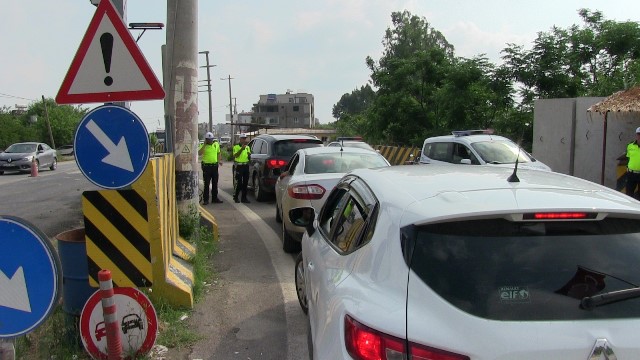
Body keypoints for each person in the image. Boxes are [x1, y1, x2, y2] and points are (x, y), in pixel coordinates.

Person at [198, 132, 223, 204]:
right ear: (206, 139)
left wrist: (219, 160)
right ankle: (206, 199)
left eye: (210, 139)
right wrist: (204, 145)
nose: (209, 141)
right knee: (206, 183)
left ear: (212, 139)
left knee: (215, 183)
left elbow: (219, 153)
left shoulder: (216, 144)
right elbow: (199, 153)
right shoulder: (203, 145)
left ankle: (214, 198)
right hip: (206, 167)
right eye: (208, 139)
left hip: (214, 166)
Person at [233, 133, 251, 203]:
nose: (244, 140)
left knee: (245, 182)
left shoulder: (247, 147)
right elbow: (236, 156)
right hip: (239, 166)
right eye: (243, 138)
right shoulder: (236, 147)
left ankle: (244, 198)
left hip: (246, 165)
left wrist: (249, 156)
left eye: (245, 138)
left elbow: (248, 156)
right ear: (240, 139)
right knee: (239, 182)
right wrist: (241, 149)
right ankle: (236, 196)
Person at [626, 127, 640, 200]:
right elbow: (628, 158)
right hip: (631, 174)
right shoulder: (630, 145)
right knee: (629, 194)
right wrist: (627, 167)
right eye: (639, 134)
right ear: (636, 135)